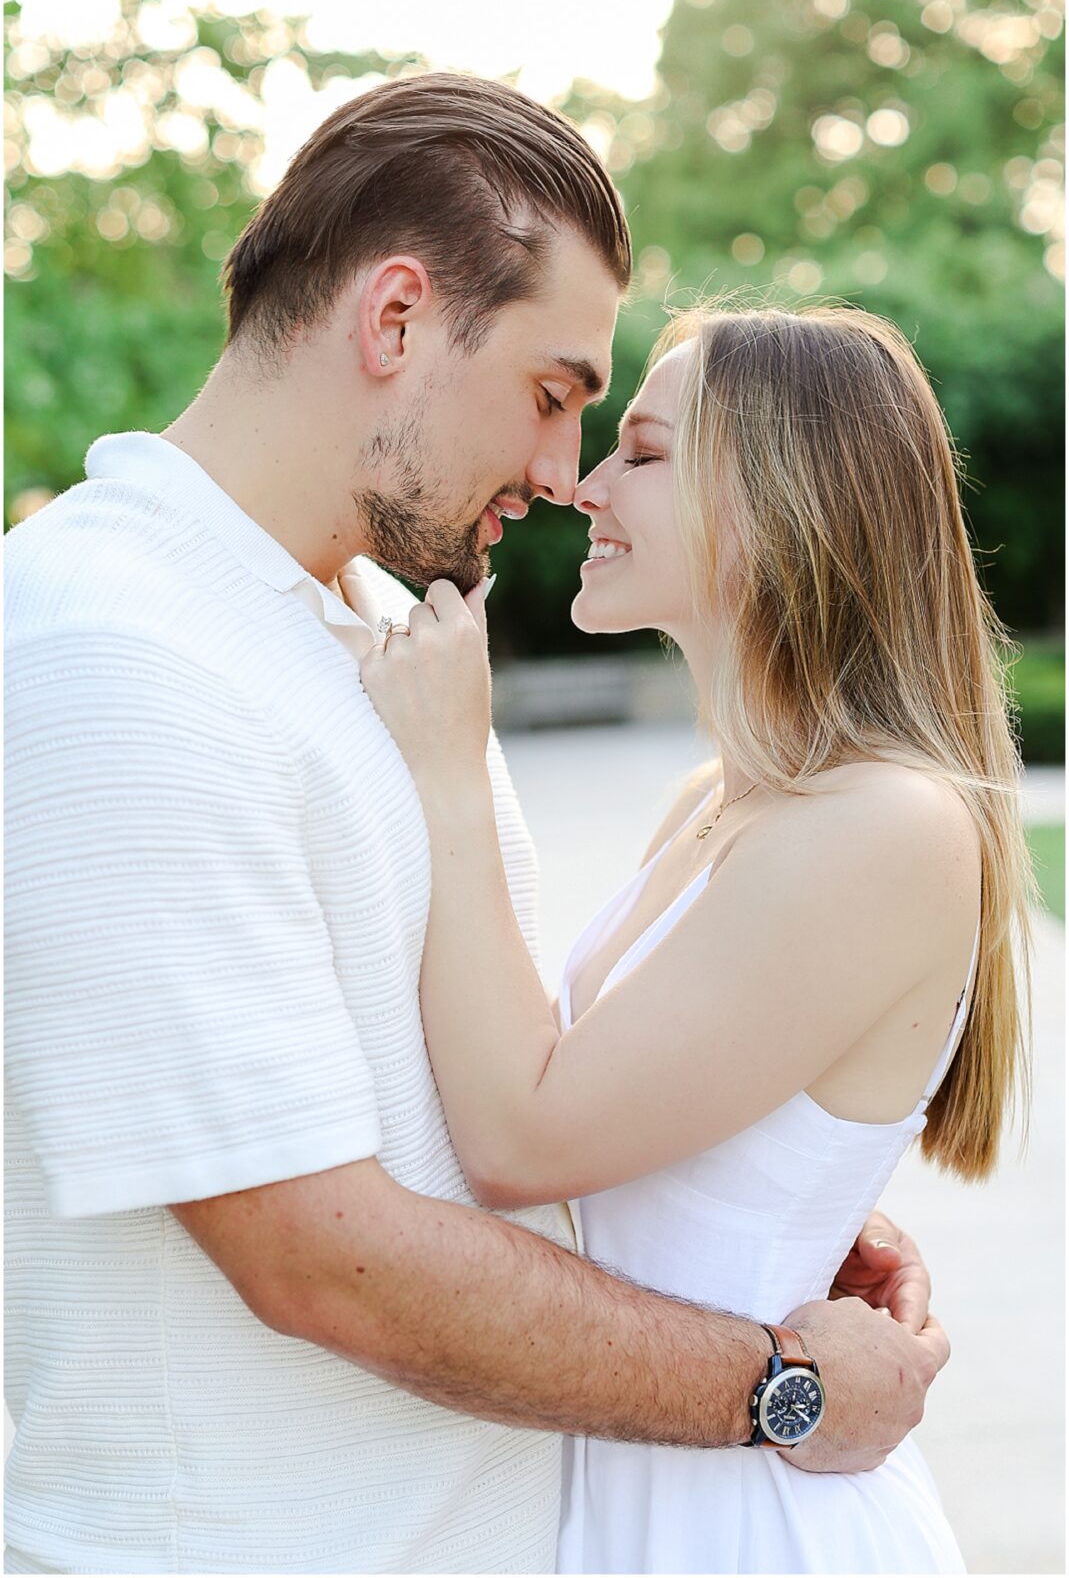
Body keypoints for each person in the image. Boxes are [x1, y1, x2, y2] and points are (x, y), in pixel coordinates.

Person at [6, 76, 947, 1577]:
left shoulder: (379, 626)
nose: (562, 472)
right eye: (556, 392)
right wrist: (772, 1381)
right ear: (394, 322)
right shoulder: (117, 649)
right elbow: (327, 1261)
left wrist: (714, 1207)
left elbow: (451, 1092)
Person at [359, 302, 1033, 1574]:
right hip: (629, 1483)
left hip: (746, 1520)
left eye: (646, 454)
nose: (586, 484)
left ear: (786, 498)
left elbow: (522, 1136)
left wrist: (449, 769)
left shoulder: (889, 824)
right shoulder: (720, 803)